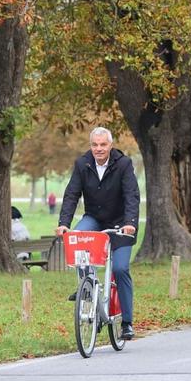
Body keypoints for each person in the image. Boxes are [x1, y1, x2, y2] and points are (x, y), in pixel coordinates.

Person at [55, 127, 140, 340]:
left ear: (110, 145)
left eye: (103, 145)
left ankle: (127, 322)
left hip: (121, 223)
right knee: (77, 237)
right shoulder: (82, 164)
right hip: (94, 219)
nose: (99, 149)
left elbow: (132, 195)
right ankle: (87, 286)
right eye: (95, 145)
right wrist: (64, 223)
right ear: (90, 145)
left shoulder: (123, 164)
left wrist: (130, 223)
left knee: (120, 269)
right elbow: (71, 194)